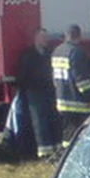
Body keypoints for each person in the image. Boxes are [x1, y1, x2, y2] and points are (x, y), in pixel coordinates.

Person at [15, 28, 60, 160]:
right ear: (36, 38)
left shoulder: (49, 54)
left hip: (49, 91)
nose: (46, 40)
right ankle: (44, 152)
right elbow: (22, 75)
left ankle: (56, 149)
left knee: (53, 118)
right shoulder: (28, 55)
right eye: (43, 37)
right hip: (34, 92)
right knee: (39, 122)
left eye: (46, 37)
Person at [51, 24, 90, 149]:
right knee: (80, 134)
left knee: (67, 133)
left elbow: (54, 78)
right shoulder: (76, 52)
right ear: (79, 36)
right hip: (78, 103)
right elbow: (81, 79)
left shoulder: (57, 51)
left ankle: (65, 155)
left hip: (62, 100)